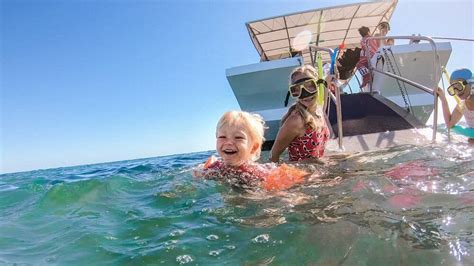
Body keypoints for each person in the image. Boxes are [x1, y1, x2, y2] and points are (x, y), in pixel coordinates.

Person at [196, 111, 308, 190]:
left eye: (238, 137)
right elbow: (200, 175)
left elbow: (279, 190)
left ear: (253, 147)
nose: (228, 142)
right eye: (222, 137)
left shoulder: (254, 172)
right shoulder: (216, 167)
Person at [270, 65, 330, 163]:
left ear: (318, 85)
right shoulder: (296, 120)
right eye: (296, 90)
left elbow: (325, 91)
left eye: (310, 85)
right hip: (303, 175)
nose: (305, 93)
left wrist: (329, 78)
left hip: (320, 168)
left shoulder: (318, 111)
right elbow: (273, 155)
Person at [437, 68, 474, 144]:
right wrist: (443, 99)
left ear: (471, 83)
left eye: (459, 86)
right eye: (453, 89)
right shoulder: (462, 106)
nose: (457, 91)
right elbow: (449, 124)